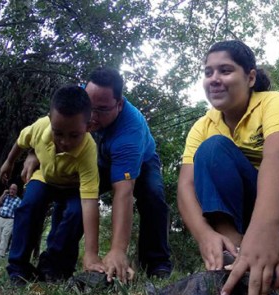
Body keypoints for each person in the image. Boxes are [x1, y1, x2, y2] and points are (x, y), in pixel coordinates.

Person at [177, 40, 279, 295]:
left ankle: (262, 246)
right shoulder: (202, 127)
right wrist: (204, 234)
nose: (214, 79)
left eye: (225, 70)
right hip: (245, 207)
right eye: (208, 72)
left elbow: (278, 158)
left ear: (250, 77)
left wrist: (266, 230)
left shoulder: (276, 103)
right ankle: (234, 250)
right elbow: (186, 187)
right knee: (211, 149)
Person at [23, 67, 173, 282]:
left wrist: (117, 249)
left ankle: (157, 263)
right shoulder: (78, 106)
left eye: (101, 110)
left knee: (152, 194)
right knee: (71, 197)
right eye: (89, 106)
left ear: (119, 105)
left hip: (139, 159)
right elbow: (48, 130)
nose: (91, 116)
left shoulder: (129, 133)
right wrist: (32, 153)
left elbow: (123, 191)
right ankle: (55, 264)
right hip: (94, 160)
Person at [1, 85, 102, 285]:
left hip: (72, 187)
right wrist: (9, 162)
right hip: (44, 178)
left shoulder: (88, 151)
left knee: (76, 213)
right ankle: (18, 268)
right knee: (29, 206)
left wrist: (91, 253)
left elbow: (89, 201)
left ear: (88, 127)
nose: (64, 142)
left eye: (74, 135)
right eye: (58, 133)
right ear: (49, 119)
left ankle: (53, 265)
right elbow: (21, 141)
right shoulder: (40, 127)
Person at [0, 183, 22, 259]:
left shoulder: (18, 200)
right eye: (11, 189)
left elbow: (20, 212)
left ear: (16, 191)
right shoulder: (5, 197)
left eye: (14, 189)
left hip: (10, 220)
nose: (12, 191)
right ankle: (1, 254)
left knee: (4, 237)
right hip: (0, 219)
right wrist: (3, 194)